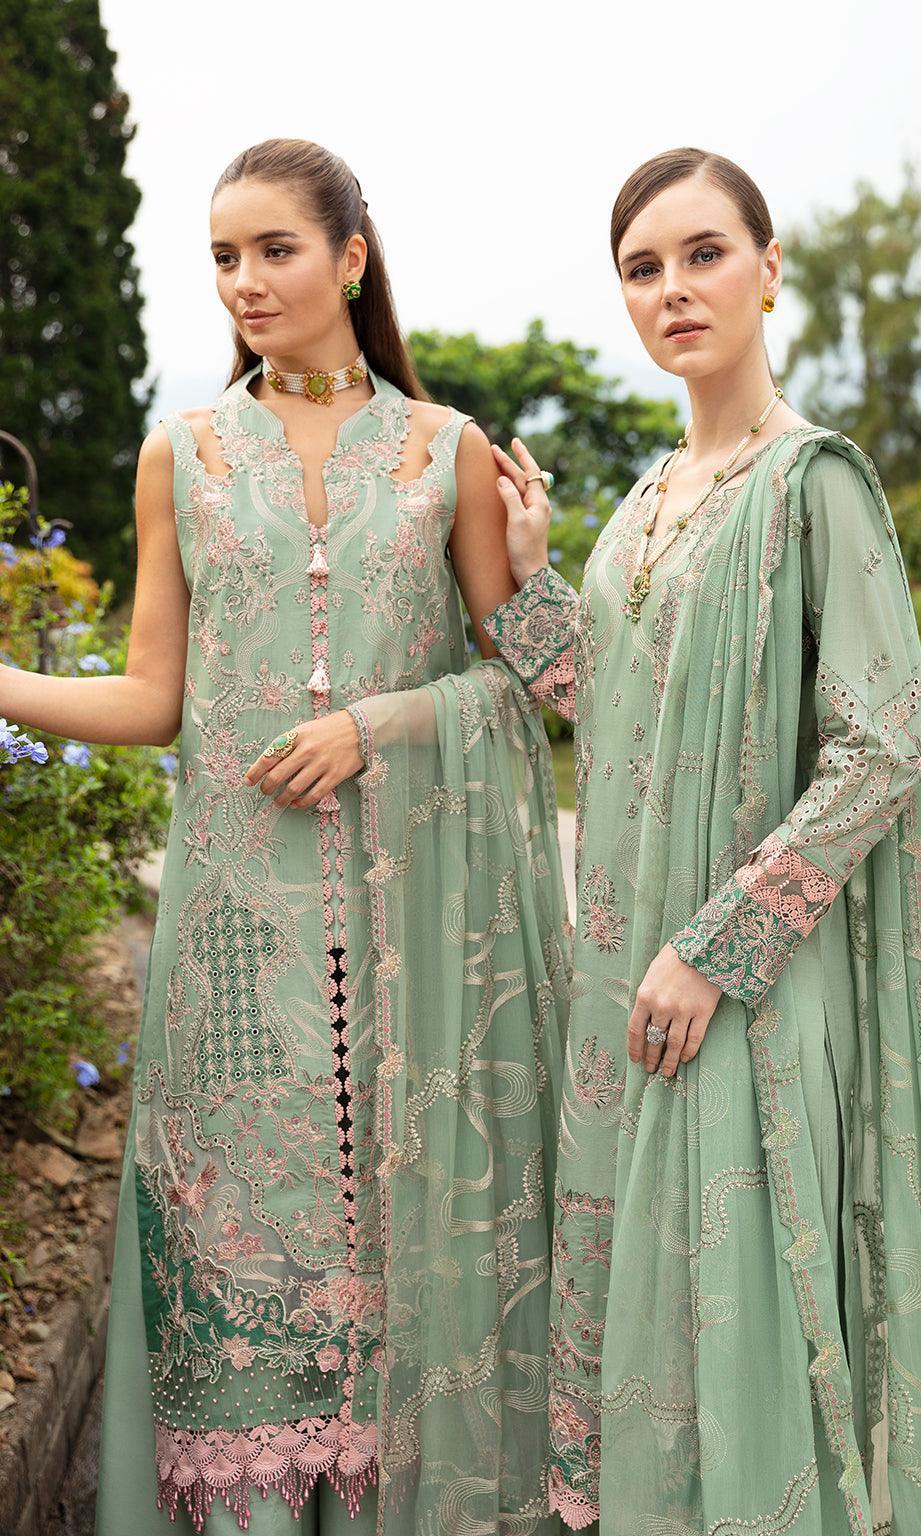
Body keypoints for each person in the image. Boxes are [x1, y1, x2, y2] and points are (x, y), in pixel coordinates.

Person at [0, 138, 570, 1535]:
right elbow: (153, 697)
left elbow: (533, 686)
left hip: (417, 949)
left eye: (274, 249)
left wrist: (383, 719)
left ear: (350, 260)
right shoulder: (184, 456)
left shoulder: (445, 453)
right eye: (222, 256)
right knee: (241, 1275)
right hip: (236, 948)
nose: (244, 281)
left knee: (402, 1267)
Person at [483, 147, 921, 1533]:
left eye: (704, 253)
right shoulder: (647, 500)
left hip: (744, 988)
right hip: (631, 984)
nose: (673, 288)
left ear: (769, 272)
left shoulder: (814, 482)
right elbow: (618, 715)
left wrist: (718, 950)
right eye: (642, 268)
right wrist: (535, 581)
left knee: (736, 1327)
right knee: (647, 1329)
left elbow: (882, 745)